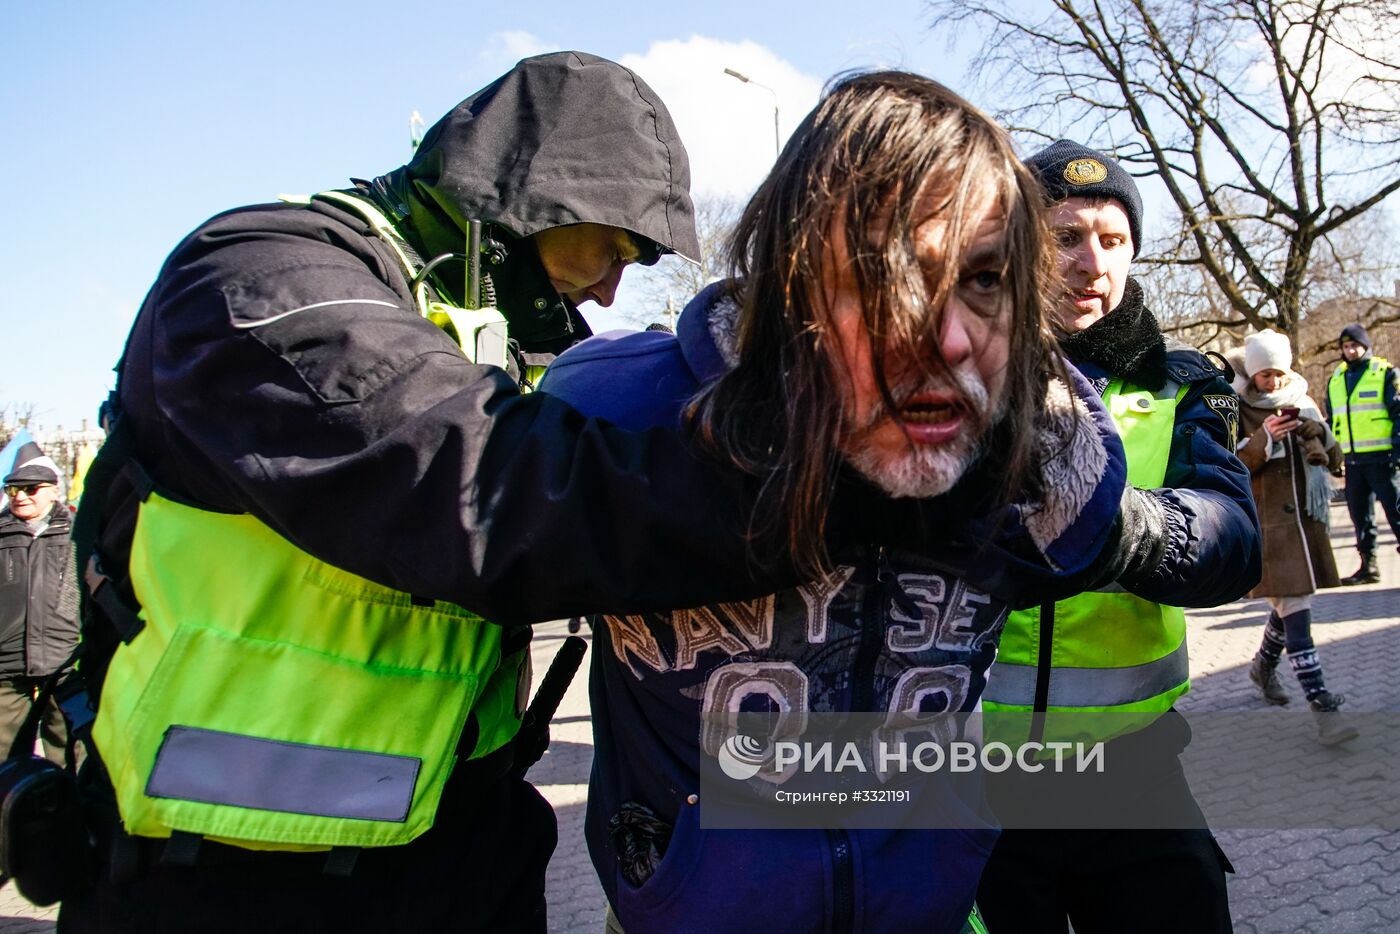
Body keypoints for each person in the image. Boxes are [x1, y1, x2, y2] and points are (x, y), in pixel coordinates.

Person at [59, 52, 975, 932]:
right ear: (529, 196)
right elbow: (500, 488)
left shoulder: (472, 330)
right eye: (611, 246)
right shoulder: (262, 280)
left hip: (459, 847)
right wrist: (865, 488)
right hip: (220, 879)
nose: (613, 290)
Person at [541, 74, 1182, 934]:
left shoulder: (1039, 454)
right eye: (901, 273)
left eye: (985, 280)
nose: (947, 330)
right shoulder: (618, 410)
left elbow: (1103, 509)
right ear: (800, 263)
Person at [977, 140, 1260, 934]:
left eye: (1113, 240)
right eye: (1065, 237)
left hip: (1133, 773)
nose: (1091, 263)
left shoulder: (1184, 382)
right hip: (972, 777)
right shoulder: (954, 374)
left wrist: (1117, 531)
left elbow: (1235, 544)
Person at [1233, 331, 1356, 744]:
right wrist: (1265, 437)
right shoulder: (1237, 406)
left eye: (1277, 373)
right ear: (1253, 374)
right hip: (1268, 527)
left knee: (1291, 604)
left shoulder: (1303, 400)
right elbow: (1232, 467)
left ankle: (1262, 667)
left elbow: (1336, 460)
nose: (1271, 382)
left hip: (1306, 524)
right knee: (1297, 614)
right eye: (1263, 374)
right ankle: (1325, 711)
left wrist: (1315, 435)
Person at [0, 441, 78, 765]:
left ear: (52, 490)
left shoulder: (76, 531)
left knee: (71, 747)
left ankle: (74, 812)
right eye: (12, 489)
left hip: (65, 659)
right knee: (5, 754)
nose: (20, 496)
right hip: (6, 660)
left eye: (30, 488)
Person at [1325, 323, 1400, 584]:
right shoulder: (1336, 379)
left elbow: (1398, 414)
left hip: (1383, 458)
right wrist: (1334, 457)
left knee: (1396, 512)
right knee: (1360, 516)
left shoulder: (1384, 373)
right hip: (1353, 461)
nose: (1351, 350)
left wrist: (1397, 451)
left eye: (1355, 345)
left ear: (1366, 346)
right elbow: (1333, 421)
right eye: (1346, 346)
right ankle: (1369, 566)